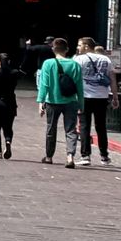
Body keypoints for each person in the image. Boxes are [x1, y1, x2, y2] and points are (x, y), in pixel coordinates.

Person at [36, 38, 82, 168]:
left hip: (53, 101)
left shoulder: (48, 64)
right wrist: (81, 104)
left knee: (51, 127)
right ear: (67, 49)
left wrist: (41, 101)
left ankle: (49, 156)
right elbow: (79, 87)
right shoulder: (74, 65)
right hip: (71, 101)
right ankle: (70, 156)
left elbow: (44, 85)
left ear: (53, 49)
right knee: (71, 129)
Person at [73, 37, 116, 166]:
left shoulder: (78, 59)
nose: (78, 47)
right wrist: (115, 96)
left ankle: (85, 155)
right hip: (102, 96)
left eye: (80, 45)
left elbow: (73, 78)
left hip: (85, 96)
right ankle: (104, 156)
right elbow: (112, 78)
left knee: (84, 126)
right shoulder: (105, 59)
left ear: (86, 46)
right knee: (101, 126)